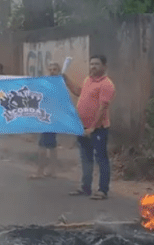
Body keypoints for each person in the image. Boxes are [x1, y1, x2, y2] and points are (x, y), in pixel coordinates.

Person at [65, 54, 115, 200]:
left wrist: (93, 128)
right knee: (86, 158)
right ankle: (85, 187)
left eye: (97, 64)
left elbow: (102, 108)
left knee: (101, 159)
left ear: (104, 67)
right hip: (82, 127)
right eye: (91, 64)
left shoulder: (106, 84)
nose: (93, 67)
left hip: (97, 129)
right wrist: (66, 80)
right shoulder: (88, 80)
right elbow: (79, 92)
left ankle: (102, 190)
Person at [30, 61, 62, 179]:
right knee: (51, 146)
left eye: (55, 69)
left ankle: (40, 171)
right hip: (45, 116)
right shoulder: (46, 83)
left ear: (58, 71)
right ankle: (52, 171)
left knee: (43, 146)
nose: (52, 71)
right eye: (51, 69)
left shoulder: (59, 84)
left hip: (52, 118)